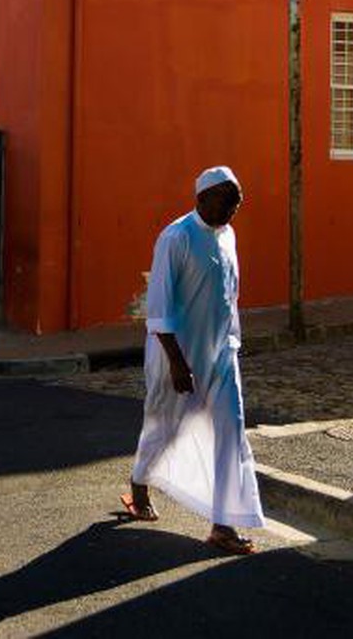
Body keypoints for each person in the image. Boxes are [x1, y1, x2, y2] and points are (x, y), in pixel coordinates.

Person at [121, 165, 265, 556]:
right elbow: (159, 308)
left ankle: (223, 525)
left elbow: (228, 295)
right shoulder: (176, 237)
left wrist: (231, 342)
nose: (234, 208)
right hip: (176, 357)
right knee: (165, 426)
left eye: (238, 201)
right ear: (201, 198)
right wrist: (177, 362)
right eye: (227, 199)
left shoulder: (228, 235)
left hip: (221, 354)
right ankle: (139, 481)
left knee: (231, 433)